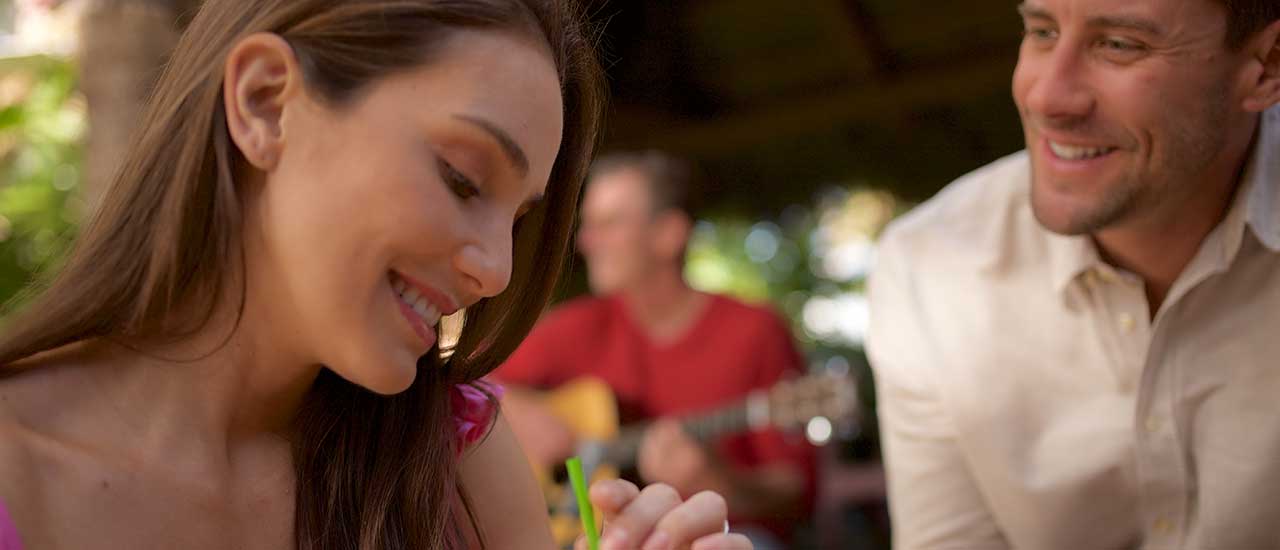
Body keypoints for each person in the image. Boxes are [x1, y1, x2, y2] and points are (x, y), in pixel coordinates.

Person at [0, 1, 752, 549]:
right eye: (462, 178)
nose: (496, 272)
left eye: (517, 220)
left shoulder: (454, 466)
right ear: (265, 103)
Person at [866, 0, 1280, 548]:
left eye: (1120, 44)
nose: (1046, 97)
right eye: (1041, 31)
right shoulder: (929, 267)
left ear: (1267, 67)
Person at [495, 151, 816, 546]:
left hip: (725, 535)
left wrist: (723, 484)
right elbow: (470, 383)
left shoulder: (755, 331)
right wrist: (523, 414)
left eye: (609, 224)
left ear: (668, 234)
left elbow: (795, 490)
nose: (586, 241)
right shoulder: (576, 326)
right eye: (588, 225)